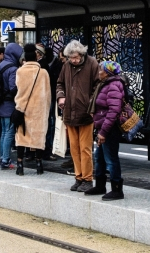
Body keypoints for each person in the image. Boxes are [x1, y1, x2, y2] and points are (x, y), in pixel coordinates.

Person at [56, 40, 99, 192]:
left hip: (86, 113)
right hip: (69, 112)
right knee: (74, 148)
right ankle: (78, 177)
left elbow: (97, 85)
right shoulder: (66, 66)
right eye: (71, 58)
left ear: (81, 54)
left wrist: (90, 103)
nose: (74, 60)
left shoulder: (92, 63)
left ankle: (87, 179)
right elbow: (60, 83)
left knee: (85, 148)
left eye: (76, 57)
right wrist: (61, 96)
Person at [84, 60, 126, 200]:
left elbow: (113, 111)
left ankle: (116, 189)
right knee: (100, 157)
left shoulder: (113, 85)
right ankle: (100, 185)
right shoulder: (104, 84)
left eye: (100, 70)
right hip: (102, 126)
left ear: (107, 73)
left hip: (109, 128)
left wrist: (103, 132)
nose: (98, 72)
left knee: (111, 159)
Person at [14, 47, 51, 176]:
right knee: (39, 136)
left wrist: (19, 106)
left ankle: (19, 165)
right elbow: (47, 94)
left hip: (23, 109)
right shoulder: (43, 72)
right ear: (36, 58)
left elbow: (19, 90)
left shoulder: (20, 72)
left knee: (21, 137)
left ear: (25, 58)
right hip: (39, 110)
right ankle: (39, 164)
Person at [0, 43, 23, 170]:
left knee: (3, 132)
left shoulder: (0, 64)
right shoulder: (13, 68)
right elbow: (13, 88)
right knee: (9, 132)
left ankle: (2, 156)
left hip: (0, 103)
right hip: (9, 105)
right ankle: (6, 160)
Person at [44, 46, 63, 160]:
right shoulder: (56, 64)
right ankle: (50, 148)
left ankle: (51, 147)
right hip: (53, 96)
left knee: (51, 122)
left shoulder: (55, 65)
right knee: (52, 122)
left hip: (53, 96)